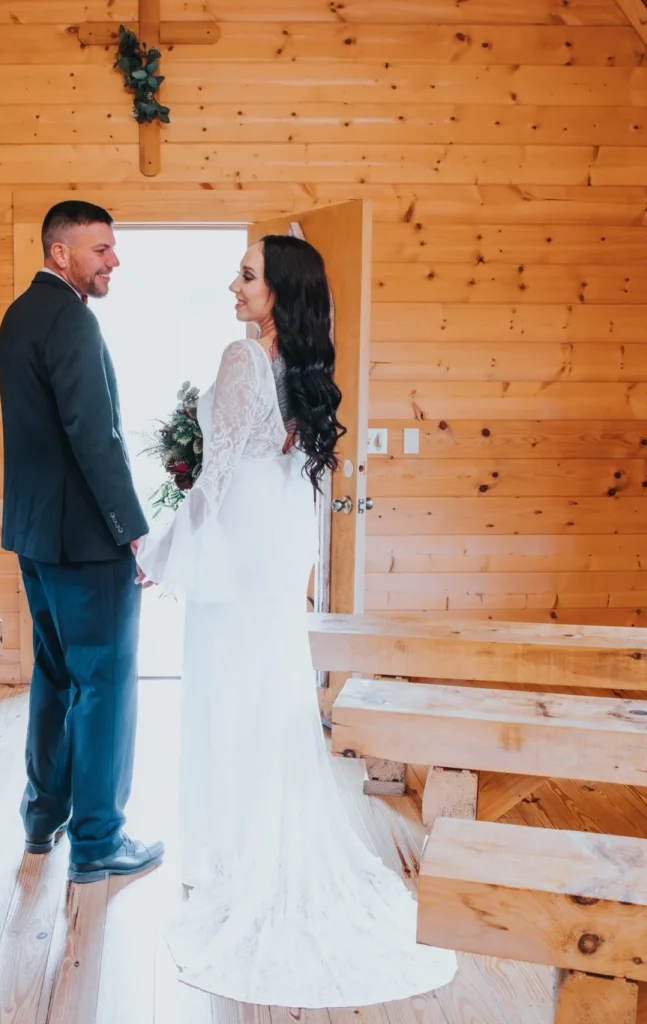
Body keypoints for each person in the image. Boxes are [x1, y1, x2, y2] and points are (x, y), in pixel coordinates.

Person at [136, 235, 458, 1007]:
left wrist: (167, 550)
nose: (233, 286)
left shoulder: (243, 359)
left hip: (236, 545)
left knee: (226, 689)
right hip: (274, 540)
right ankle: (255, 837)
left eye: (247, 276)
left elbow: (212, 479)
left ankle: (235, 849)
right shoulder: (305, 369)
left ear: (280, 290)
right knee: (265, 687)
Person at [0, 200, 165, 883]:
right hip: (87, 543)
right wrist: (135, 532)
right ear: (59, 252)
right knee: (106, 685)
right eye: (100, 249)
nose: (113, 260)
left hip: (35, 536)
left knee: (57, 676)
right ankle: (97, 841)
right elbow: (97, 439)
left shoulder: (19, 316)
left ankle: (43, 818)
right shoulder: (70, 321)